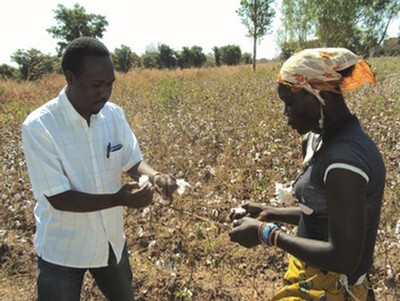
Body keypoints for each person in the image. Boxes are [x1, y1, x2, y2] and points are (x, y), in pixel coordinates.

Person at [21, 36, 177, 301]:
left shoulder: (113, 115)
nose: (104, 92)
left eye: (109, 84)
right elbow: (58, 198)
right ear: (70, 78)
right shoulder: (39, 126)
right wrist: (118, 199)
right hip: (63, 250)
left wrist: (155, 176)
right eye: (96, 84)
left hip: (110, 243)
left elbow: (132, 160)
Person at [228, 48, 385, 301]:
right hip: (310, 278)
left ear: (318, 94)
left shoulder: (345, 160)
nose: (285, 114)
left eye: (289, 103)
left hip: (333, 289)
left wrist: (266, 234)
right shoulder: (318, 139)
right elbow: (326, 213)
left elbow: (343, 257)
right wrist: (269, 212)